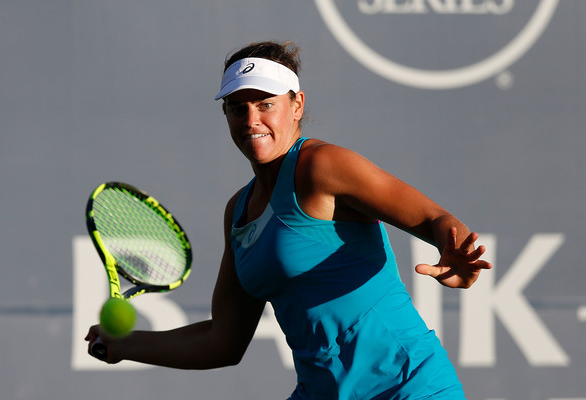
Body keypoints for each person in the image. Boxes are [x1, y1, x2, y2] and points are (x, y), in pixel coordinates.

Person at [86, 40, 492, 399]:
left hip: (407, 387)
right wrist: (123, 346)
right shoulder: (238, 212)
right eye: (237, 107)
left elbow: (433, 217)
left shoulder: (322, 166)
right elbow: (221, 341)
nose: (251, 120)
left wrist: (450, 246)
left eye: (266, 104)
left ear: (296, 105)